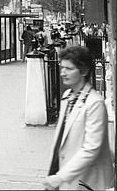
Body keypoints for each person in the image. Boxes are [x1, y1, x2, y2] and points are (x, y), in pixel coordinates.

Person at [44, 45, 114, 190]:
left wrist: (61, 177)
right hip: (64, 176)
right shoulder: (67, 97)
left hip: (86, 182)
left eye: (69, 69)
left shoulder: (95, 103)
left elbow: (91, 148)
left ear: (84, 71)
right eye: (62, 67)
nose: (63, 73)